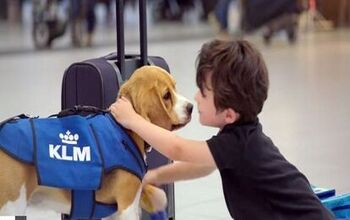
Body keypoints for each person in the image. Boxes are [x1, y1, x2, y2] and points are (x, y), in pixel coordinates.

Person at [110, 39, 334, 219]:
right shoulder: (243, 138)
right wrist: (156, 175)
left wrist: (133, 120)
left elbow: (177, 149)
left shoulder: (237, 145)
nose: (195, 97)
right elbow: (201, 166)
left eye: (203, 93)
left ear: (228, 114)